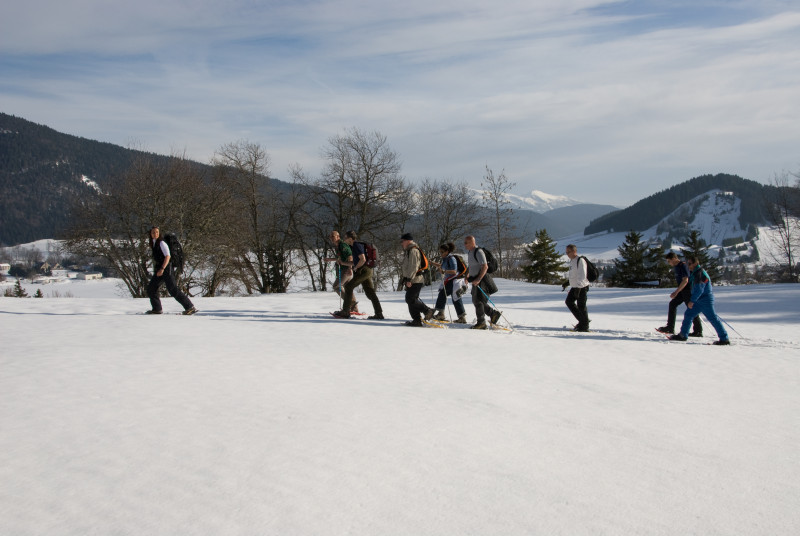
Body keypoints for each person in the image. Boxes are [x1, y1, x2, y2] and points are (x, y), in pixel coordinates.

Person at [669, 256, 730, 345]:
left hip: (704, 300)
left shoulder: (700, 274)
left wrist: (692, 301)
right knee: (688, 314)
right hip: (700, 300)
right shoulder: (696, 272)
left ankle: (724, 339)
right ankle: (683, 335)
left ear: (695, 264)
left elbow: (699, 289)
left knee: (713, 319)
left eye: (690, 264)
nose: (688, 265)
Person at [334, 231, 385, 319]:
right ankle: (379, 313)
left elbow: (363, 259)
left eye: (345, 237)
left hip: (363, 270)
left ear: (350, 239)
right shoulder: (354, 246)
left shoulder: (356, 245)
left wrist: (356, 268)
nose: (344, 239)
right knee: (370, 293)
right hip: (366, 270)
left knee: (349, 287)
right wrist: (343, 263)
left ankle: (346, 311)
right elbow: (355, 261)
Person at [146, 226, 196, 315]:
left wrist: (162, 269)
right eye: (153, 232)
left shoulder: (161, 243)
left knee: (173, 290)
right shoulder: (153, 242)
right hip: (160, 269)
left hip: (166, 269)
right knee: (151, 288)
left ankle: (190, 307)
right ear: (150, 234)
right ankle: (157, 309)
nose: (155, 234)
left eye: (157, 232)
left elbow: (168, 256)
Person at [657, 252, 702, 336]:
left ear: (674, 259)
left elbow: (685, 280)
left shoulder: (683, 265)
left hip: (687, 290)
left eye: (669, 261)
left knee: (691, 308)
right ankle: (670, 327)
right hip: (682, 291)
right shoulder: (676, 267)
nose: (669, 263)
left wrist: (676, 292)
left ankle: (698, 331)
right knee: (673, 304)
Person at [464, 235, 501, 329]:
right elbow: (471, 266)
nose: (464, 245)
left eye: (466, 243)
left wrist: (478, 279)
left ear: (472, 242)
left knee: (478, 301)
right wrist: (467, 275)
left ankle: (482, 323)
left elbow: (485, 266)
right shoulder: (470, 252)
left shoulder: (478, 252)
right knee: (477, 300)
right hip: (475, 280)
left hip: (483, 280)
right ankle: (493, 314)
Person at [400, 233, 434, 326]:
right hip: (413, 279)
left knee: (410, 299)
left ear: (407, 241)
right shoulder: (409, 250)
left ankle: (427, 311)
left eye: (402, 241)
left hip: (416, 279)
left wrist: (409, 279)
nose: (401, 243)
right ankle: (417, 320)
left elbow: (413, 266)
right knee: (412, 299)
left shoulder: (413, 251)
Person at [430, 242, 467, 323]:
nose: (441, 254)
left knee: (444, 294)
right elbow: (442, 266)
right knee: (455, 297)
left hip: (454, 280)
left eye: (442, 252)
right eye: (440, 252)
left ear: (447, 251)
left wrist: (444, 271)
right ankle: (461, 317)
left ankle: (441, 314)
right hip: (450, 280)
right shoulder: (446, 259)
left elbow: (454, 271)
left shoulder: (451, 258)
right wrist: (432, 263)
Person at [323, 230, 358, 313]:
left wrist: (349, 268)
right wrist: (329, 259)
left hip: (346, 270)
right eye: (330, 236)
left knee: (336, 286)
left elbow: (350, 257)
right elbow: (340, 258)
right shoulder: (338, 246)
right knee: (348, 289)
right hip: (344, 269)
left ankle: (349, 305)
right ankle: (354, 308)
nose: (331, 238)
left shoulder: (342, 245)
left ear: (338, 236)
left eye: (333, 236)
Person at [561, 244, 590, 331]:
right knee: (569, 302)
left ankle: (584, 326)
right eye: (566, 252)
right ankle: (583, 321)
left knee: (581, 306)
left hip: (582, 287)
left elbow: (582, 275)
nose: (567, 254)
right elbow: (574, 275)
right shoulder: (572, 261)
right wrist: (567, 282)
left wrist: (578, 288)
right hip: (575, 286)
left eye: (568, 252)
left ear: (574, 251)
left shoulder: (580, 260)